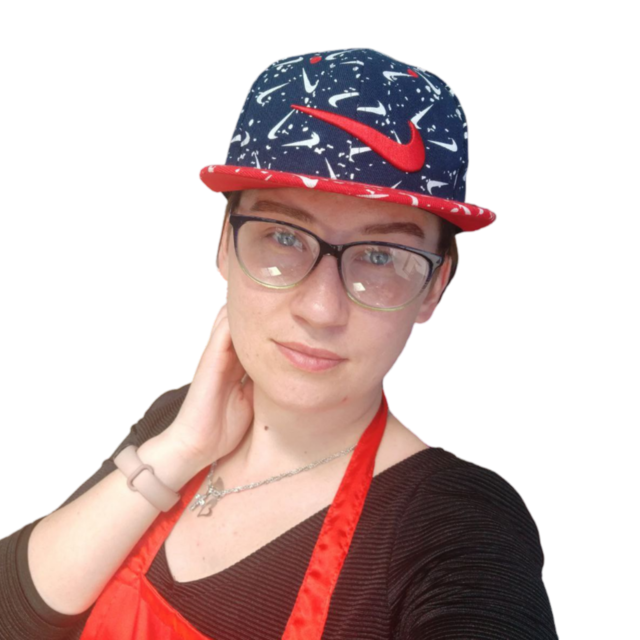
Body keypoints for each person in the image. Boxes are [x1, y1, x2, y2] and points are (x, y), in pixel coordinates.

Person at [0, 47, 560, 639]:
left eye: (380, 256)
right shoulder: (178, 418)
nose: (320, 309)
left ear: (435, 288)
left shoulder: (458, 522)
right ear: (222, 245)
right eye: (283, 237)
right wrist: (181, 451)